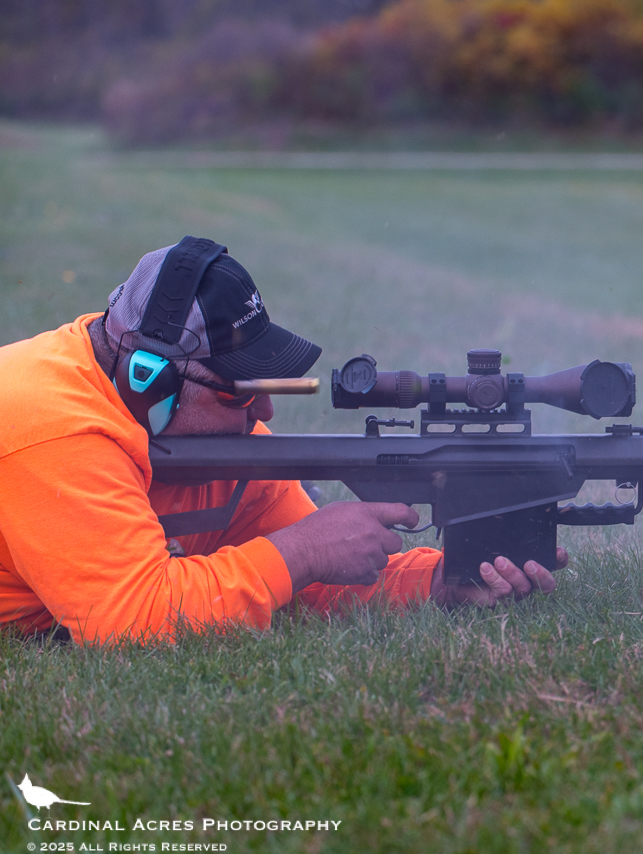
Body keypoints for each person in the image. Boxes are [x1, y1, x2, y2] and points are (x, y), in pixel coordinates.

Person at [0, 237, 561, 644]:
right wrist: (303, 549)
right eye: (237, 393)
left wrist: (439, 581)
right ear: (151, 380)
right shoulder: (50, 427)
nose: (264, 412)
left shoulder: (184, 427)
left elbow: (297, 581)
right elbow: (135, 619)